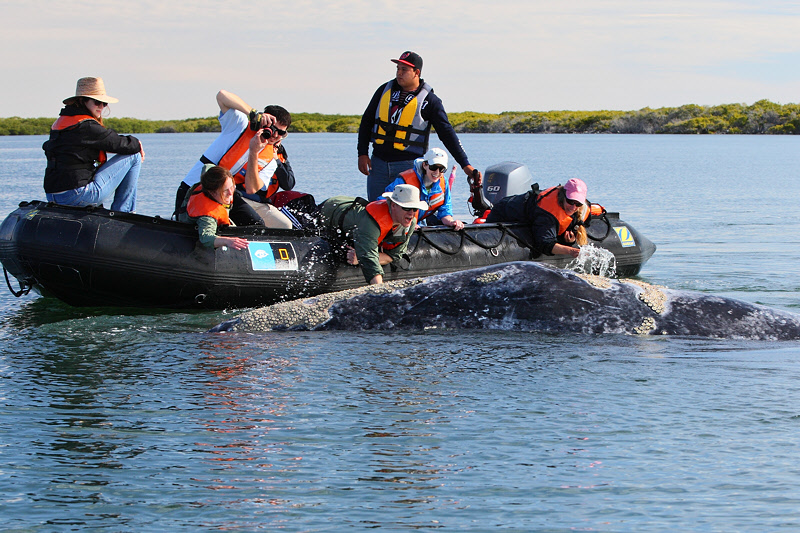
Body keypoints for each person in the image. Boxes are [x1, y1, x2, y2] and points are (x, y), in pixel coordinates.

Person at [357, 51, 481, 201]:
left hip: (408, 165)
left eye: (404, 70)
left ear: (416, 72)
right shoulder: (384, 91)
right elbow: (367, 121)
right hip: (379, 164)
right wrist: (362, 153)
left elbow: (447, 133)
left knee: (407, 212)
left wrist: (465, 165)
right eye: (398, 69)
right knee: (375, 211)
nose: (399, 73)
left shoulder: (430, 101)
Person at [174, 90, 294, 228]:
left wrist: (254, 151)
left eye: (281, 133)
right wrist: (253, 113)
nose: (275, 135)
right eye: (272, 129)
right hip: (194, 188)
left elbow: (251, 188)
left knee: (255, 224)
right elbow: (221, 96)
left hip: (225, 196)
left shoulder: (273, 158)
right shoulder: (238, 125)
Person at [43, 77, 144, 212]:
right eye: (97, 102)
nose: (101, 107)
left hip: (53, 195)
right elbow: (123, 144)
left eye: (104, 103)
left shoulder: (61, 123)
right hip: (76, 195)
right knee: (134, 156)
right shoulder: (86, 126)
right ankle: (124, 213)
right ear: (82, 101)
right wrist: (137, 144)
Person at [317, 184, 428, 284]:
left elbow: (394, 255)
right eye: (407, 208)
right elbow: (368, 259)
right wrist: (381, 293)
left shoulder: (410, 222)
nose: (411, 213)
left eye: (415, 209)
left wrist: (359, 258)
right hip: (330, 210)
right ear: (393, 205)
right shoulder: (371, 223)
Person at [486, 178, 590, 258]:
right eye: (570, 201)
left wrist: (568, 241)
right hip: (502, 212)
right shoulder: (547, 212)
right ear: (563, 196)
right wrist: (571, 251)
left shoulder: (581, 209)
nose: (573, 207)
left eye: (578, 203)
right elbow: (545, 244)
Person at [385, 147, 465, 230]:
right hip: (396, 225)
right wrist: (405, 224)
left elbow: (445, 210)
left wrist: (452, 222)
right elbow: (386, 203)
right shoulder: (404, 180)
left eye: (442, 169)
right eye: (433, 167)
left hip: (418, 225)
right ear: (425, 165)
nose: (437, 172)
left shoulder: (444, 183)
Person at [178, 165, 251, 250]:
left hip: (220, 205)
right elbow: (206, 239)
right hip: (194, 225)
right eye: (225, 190)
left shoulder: (211, 177)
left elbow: (207, 166)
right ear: (212, 193)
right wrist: (228, 241)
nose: (231, 193)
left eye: (232, 187)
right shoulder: (207, 215)